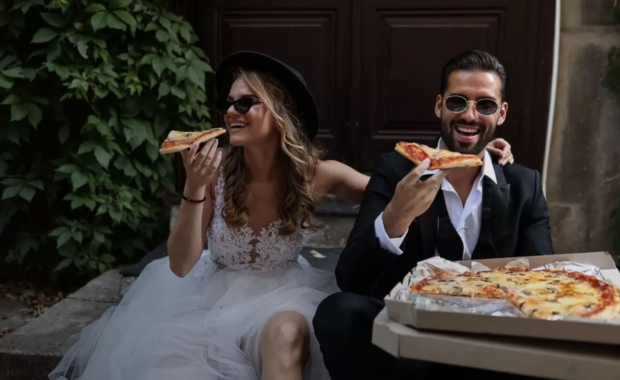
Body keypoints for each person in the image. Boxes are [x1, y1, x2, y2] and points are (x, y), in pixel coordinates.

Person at [48, 51, 514, 380]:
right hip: (206, 294)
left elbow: (401, 186)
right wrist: (193, 189)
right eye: (229, 102)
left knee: (288, 333)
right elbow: (181, 265)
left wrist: (475, 158)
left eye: (245, 102)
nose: (231, 111)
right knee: (172, 365)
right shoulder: (209, 171)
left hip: (284, 294)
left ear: (277, 112)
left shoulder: (319, 174)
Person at [313, 50, 554, 380]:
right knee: (336, 312)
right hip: (411, 334)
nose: (469, 115)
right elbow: (351, 281)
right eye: (458, 102)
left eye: (485, 105)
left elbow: (544, 283)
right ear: (439, 105)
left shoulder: (525, 184)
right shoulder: (397, 168)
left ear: (501, 114)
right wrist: (396, 216)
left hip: (490, 338)